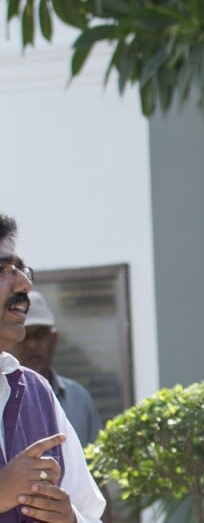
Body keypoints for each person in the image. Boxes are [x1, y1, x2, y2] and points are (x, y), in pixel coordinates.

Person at [0, 214, 105, 522]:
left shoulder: (36, 392)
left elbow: (90, 512)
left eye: (21, 269)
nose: (25, 283)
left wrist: (70, 519)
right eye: (5, 269)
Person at [8, 290, 113, 523]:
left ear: (54, 338)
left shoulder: (78, 398)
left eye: (41, 335)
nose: (34, 344)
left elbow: (95, 484)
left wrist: (75, 517)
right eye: (27, 334)